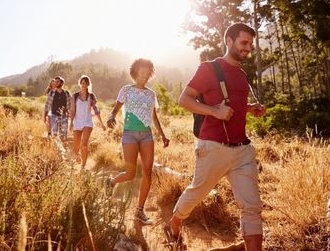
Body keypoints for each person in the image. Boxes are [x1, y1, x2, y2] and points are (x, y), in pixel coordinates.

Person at [168, 23, 266, 251]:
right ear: (229, 41)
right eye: (243, 43)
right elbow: (184, 99)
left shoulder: (241, 74)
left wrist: (251, 108)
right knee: (196, 193)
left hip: (242, 150)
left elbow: (234, 105)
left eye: (250, 44)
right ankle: (174, 222)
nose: (248, 48)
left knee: (252, 207)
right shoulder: (209, 69)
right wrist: (214, 111)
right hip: (213, 147)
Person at [106, 58, 170, 225]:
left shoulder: (151, 94)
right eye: (141, 73)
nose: (144, 77)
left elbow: (154, 117)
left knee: (148, 172)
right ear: (135, 73)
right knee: (131, 173)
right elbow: (115, 109)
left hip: (147, 135)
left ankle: (139, 211)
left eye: (147, 74)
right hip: (129, 135)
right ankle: (111, 182)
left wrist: (163, 135)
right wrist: (111, 116)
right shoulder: (126, 90)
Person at [70, 75, 106, 170]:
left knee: (84, 144)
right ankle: (78, 157)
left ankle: (83, 166)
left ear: (88, 85)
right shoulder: (75, 96)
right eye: (82, 83)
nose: (83, 85)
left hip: (87, 122)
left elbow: (95, 110)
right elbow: (73, 110)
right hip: (77, 122)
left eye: (85, 83)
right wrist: (71, 123)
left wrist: (102, 124)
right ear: (80, 84)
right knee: (75, 147)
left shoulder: (91, 96)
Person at [44, 76, 71, 142]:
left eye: (57, 82)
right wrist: (45, 116)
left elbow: (70, 106)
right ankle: (56, 149)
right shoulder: (52, 93)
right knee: (54, 134)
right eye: (55, 82)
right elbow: (47, 105)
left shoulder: (66, 93)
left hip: (64, 116)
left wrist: (71, 117)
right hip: (54, 116)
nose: (55, 83)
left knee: (63, 135)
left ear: (62, 83)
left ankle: (63, 149)